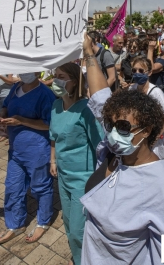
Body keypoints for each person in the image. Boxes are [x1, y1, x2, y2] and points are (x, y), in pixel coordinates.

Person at [81, 34, 164, 265]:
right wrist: (89, 52)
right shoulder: (117, 153)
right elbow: (101, 96)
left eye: (121, 127)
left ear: (147, 130)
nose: (111, 133)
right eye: (109, 125)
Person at [49, 63, 103, 265]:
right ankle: (78, 256)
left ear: (74, 81)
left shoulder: (86, 109)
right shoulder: (55, 106)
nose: (56, 81)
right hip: (63, 176)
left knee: (79, 231)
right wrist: (52, 159)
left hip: (83, 179)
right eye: (55, 76)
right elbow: (53, 135)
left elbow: (100, 146)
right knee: (68, 223)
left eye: (61, 77)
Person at [0, 73, 56, 244]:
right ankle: (15, 224)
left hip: (37, 149)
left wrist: (21, 121)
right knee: (13, 187)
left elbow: (50, 124)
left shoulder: (45, 94)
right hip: (16, 150)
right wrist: (2, 115)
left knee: (40, 187)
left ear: (38, 71)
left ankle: (43, 221)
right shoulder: (16, 88)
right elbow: (6, 106)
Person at [130, 55, 164, 159]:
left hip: (153, 142)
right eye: (134, 70)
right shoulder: (132, 90)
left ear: (149, 72)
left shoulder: (156, 92)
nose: (137, 73)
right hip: (137, 137)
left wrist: (156, 138)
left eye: (141, 70)